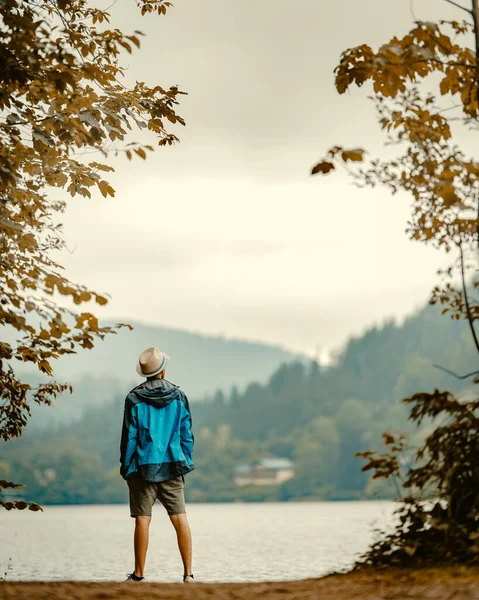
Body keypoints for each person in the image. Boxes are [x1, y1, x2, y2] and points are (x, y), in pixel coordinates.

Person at [120, 346, 195, 583]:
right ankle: (188, 574)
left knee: (143, 519)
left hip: (143, 467)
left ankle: (139, 575)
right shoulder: (179, 396)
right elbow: (187, 434)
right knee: (180, 517)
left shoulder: (133, 398)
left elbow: (129, 437)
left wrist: (126, 467)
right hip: (173, 464)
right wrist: (185, 460)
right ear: (163, 370)